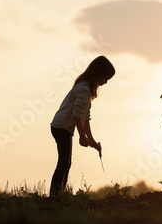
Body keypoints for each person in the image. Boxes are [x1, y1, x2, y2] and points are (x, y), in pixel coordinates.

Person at [49, 55, 116, 197]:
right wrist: (81, 136)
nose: (106, 82)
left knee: (66, 162)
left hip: (63, 127)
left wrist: (90, 139)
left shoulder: (87, 90)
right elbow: (76, 115)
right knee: (64, 162)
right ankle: (55, 195)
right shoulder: (84, 89)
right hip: (61, 126)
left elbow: (85, 118)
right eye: (106, 78)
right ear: (99, 73)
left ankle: (59, 194)